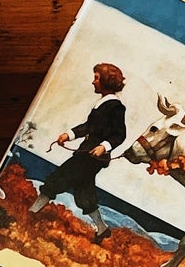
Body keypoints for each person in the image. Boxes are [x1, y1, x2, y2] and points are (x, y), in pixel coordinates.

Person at [29, 62, 127, 237]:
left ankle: (32, 213)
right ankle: (103, 229)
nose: (93, 82)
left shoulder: (115, 106)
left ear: (106, 81)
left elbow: (120, 135)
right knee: (84, 192)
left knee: (56, 179)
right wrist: (69, 134)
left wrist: (103, 147)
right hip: (86, 154)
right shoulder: (102, 103)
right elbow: (88, 126)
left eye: (96, 78)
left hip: (92, 157)